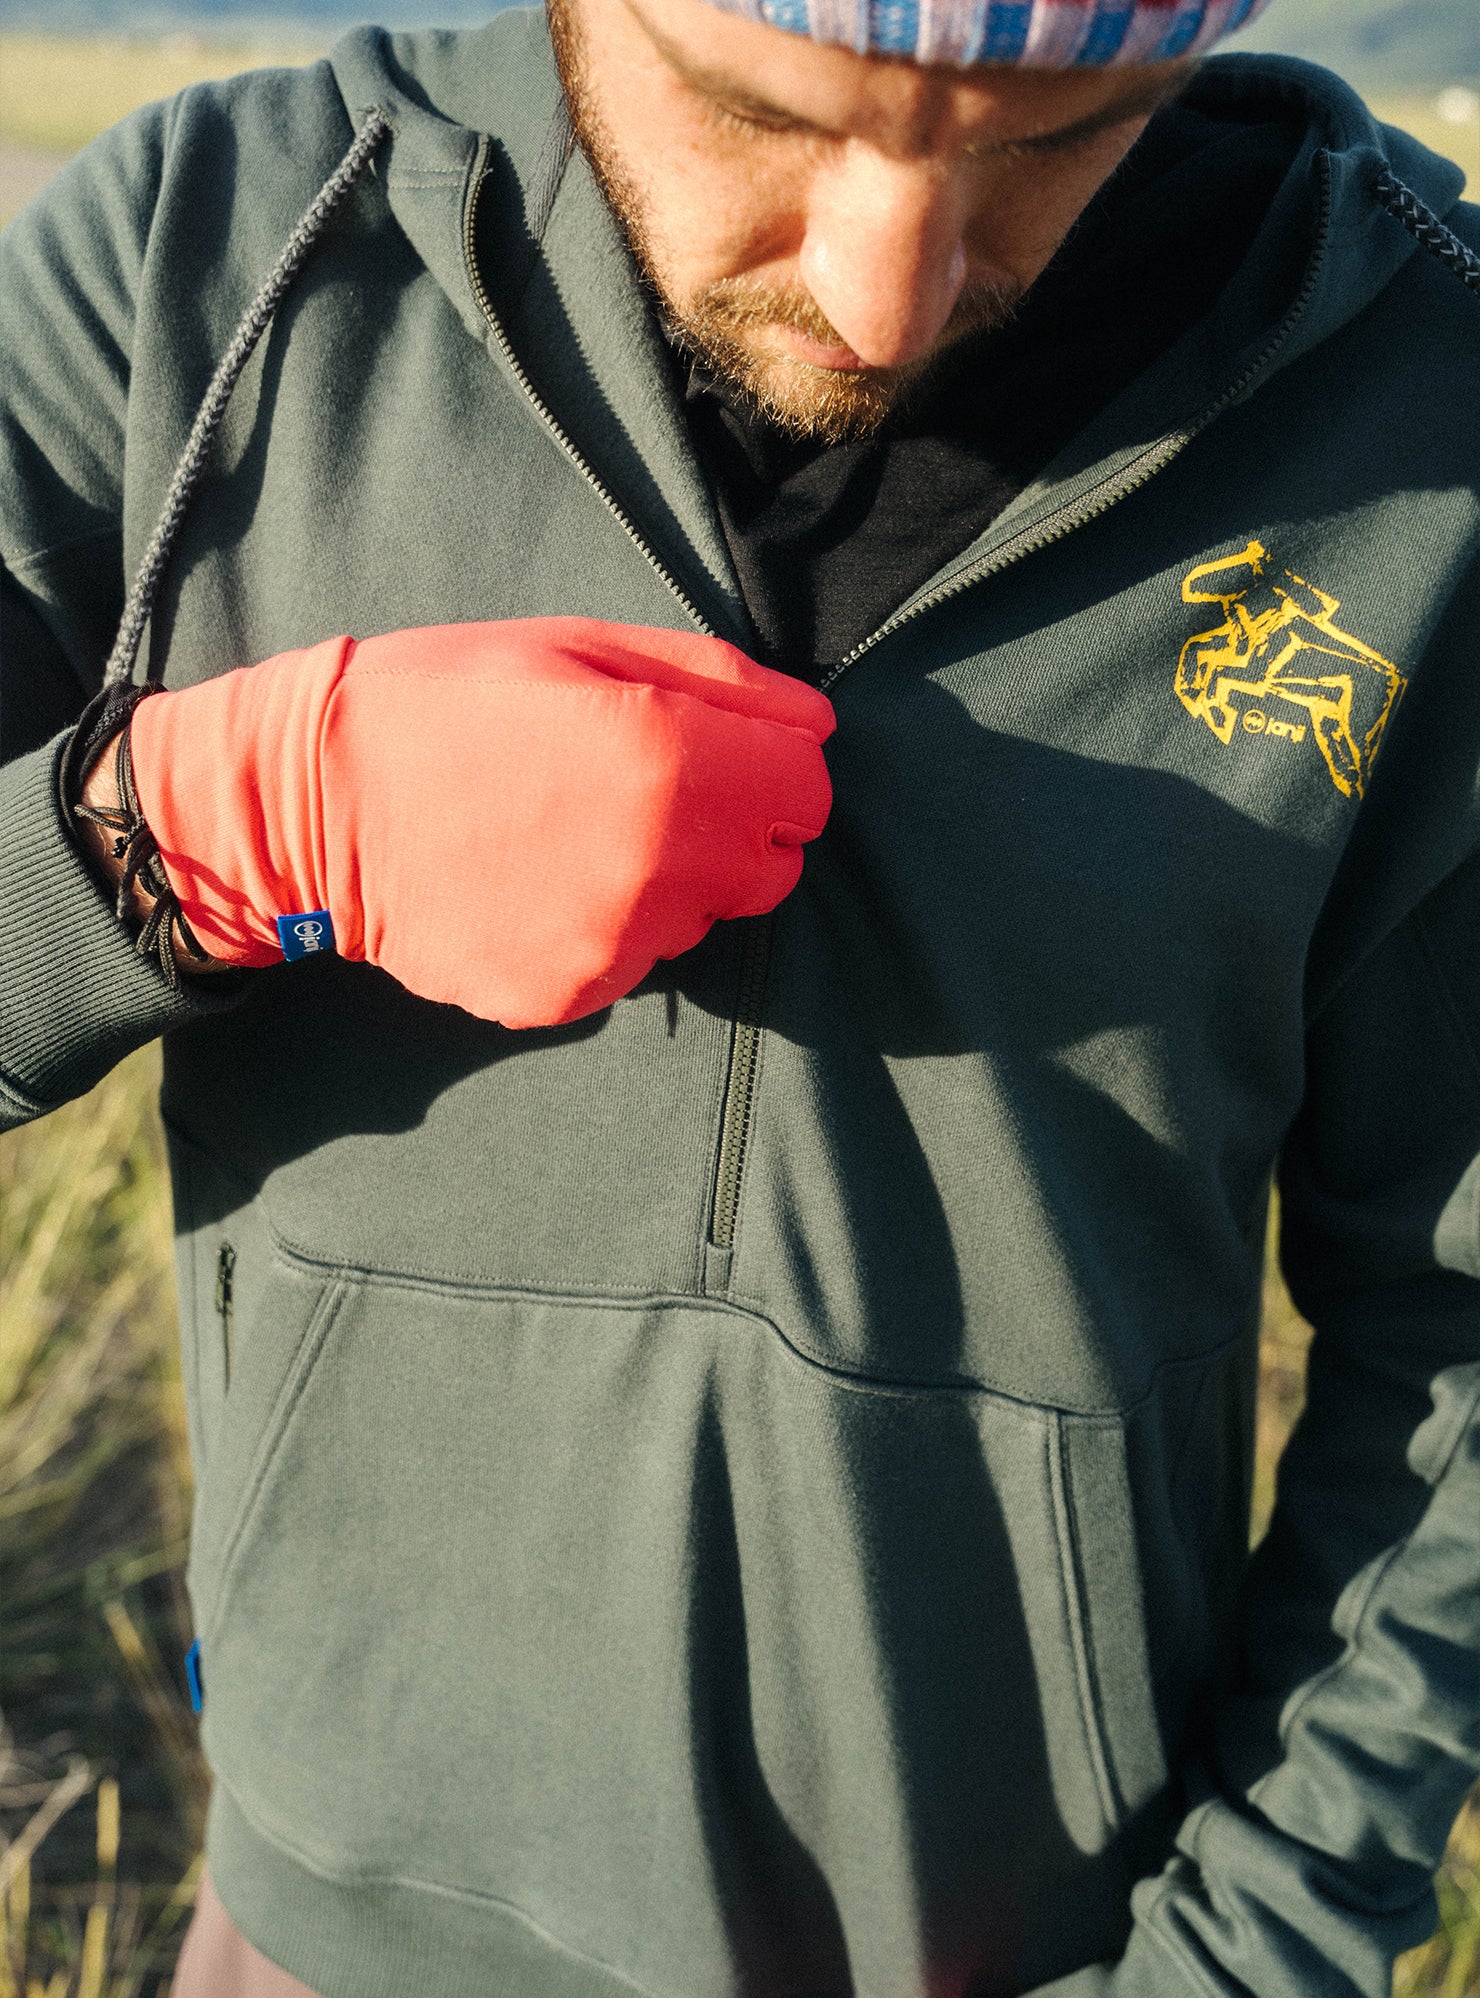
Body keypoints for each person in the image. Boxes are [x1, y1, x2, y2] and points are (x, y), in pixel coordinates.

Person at [1, 0, 1476, 1991]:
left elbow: (1452, 1339)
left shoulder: (1423, 403)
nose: (883, 297)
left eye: (1050, 140)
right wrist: (195, 829)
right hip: (311, 1929)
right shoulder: (208, 260)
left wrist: (1255, 1950)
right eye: (756, 115)